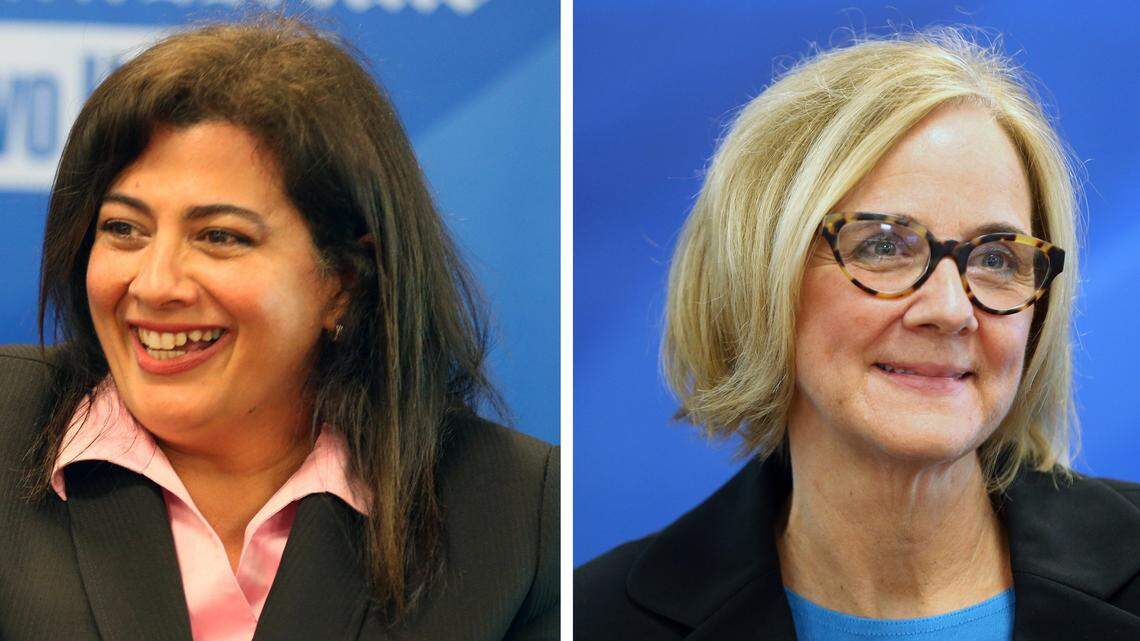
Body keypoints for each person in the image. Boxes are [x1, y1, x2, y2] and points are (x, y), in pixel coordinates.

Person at [0, 17, 558, 641]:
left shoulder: (521, 516)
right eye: (124, 229)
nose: (154, 284)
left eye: (219, 237)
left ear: (342, 282)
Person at [576, 28, 1140, 640]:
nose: (951, 309)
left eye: (998, 259)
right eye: (883, 246)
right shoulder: (596, 618)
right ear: (762, 277)